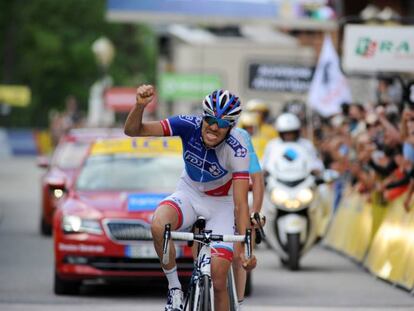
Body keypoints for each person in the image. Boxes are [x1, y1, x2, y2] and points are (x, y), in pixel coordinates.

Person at [124, 85, 257, 311]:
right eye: (210, 120)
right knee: (159, 224)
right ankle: (175, 290)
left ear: (231, 127)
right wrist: (139, 106)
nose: (214, 127)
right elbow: (133, 131)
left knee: (218, 277)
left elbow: (241, 203)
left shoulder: (238, 149)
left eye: (223, 124)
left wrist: (245, 250)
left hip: (221, 205)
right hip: (189, 192)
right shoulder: (187, 125)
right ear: (202, 116)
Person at [233, 126, 264, 308]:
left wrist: (256, 212)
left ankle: (238, 302)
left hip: (237, 198)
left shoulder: (242, 136)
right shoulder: (204, 133)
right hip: (212, 198)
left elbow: (257, 178)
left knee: (241, 255)